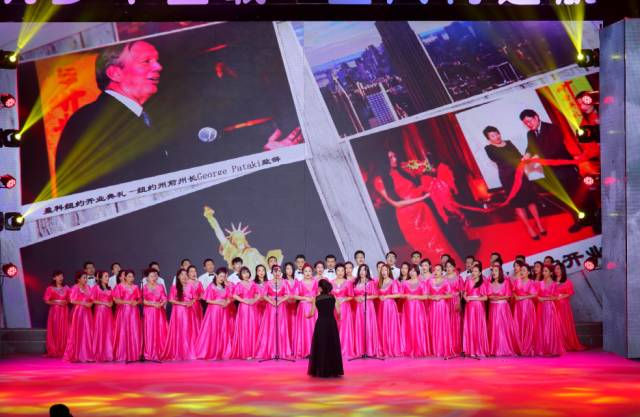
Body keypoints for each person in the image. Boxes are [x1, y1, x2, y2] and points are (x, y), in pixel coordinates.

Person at [55, 40, 164, 194]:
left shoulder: (145, 117)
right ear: (115, 73)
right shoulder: (89, 121)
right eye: (146, 61)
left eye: (156, 60)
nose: (158, 66)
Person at [374, 150, 460, 261]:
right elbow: (396, 204)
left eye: (395, 156)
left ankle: (452, 268)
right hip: (408, 218)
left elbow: (417, 184)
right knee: (426, 250)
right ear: (383, 161)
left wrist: (429, 181)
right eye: (390, 158)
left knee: (440, 244)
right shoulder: (379, 180)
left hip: (423, 210)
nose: (395, 159)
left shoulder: (402, 169)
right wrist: (423, 198)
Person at [520, 109, 586, 233]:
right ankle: (578, 220)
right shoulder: (530, 134)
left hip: (565, 170)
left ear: (536, 117)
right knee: (565, 199)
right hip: (551, 172)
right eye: (526, 123)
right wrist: (527, 155)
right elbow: (530, 147)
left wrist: (537, 157)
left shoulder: (552, 128)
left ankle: (592, 217)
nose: (529, 124)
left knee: (579, 195)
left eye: (530, 121)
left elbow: (554, 149)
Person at [484, 126, 546, 240]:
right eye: (492, 136)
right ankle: (529, 228)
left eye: (497, 133)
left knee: (530, 199)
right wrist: (519, 160)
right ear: (489, 139)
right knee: (518, 203)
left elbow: (518, 155)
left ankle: (539, 224)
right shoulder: (489, 149)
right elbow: (501, 159)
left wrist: (526, 157)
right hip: (508, 178)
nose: (496, 137)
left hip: (521, 173)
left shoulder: (508, 142)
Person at [307, 279, 344, 378]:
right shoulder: (333, 297)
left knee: (321, 345)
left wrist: (307, 316)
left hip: (321, 324)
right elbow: (338, 312)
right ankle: (333, 370)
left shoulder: (316, 298)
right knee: (332, 345)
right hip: (331, 323)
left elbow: (311, 313)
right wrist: (339, 317)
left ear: (320, 288)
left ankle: (322, 369)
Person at [255, 265, 293, 359]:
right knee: (271, 326)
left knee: (281, 327)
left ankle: (281, 350)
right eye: (275, 271)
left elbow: (288, 295)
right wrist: (271, 301)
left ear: (281, 272)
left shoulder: (284, 282)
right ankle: (270, 350)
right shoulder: (268, 283)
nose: (277, 273)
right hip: (271, 307)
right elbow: (264, 295)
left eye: (279, 271)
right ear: (272, 272)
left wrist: (280, 301)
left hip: (281, 306)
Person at [196, 267, 232, 360]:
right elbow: (207, 300)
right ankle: (212, 351)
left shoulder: (226, 287)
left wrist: (227, 303)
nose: (222, 278)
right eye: (220, 276)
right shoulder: (211, 286)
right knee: (213, 330)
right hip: (214, 312)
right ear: (216, 275)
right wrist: (218, 302)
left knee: (223, 330)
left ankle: (223, 352)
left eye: (224, 277)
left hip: (224, 311)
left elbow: (229, 298)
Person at [162, 269, 196, 361]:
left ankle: (188, 351)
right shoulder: (174, 287)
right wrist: (182, 303)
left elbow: (194, 298)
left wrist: (191, 303)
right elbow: (171, 300)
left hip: (189, 311)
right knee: (179, 331)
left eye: (185, 274)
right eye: (182, 274)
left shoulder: (190, 286)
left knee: (188, 331)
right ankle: (178, 352)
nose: (184, 276)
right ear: (178, 277)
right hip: (178, 312)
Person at [487, 263, 520, 356]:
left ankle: (505, 348)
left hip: (503, 308)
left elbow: (508, 295)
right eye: (493, 271)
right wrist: (493, 298)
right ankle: (495, 348)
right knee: (494, 327)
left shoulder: (505, 282)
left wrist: (498, 298)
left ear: (500, 272)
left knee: (503, 327)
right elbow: (488, 295)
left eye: (496, 271)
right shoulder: (489, 283)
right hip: (493, 308)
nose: (494, 272)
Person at [230, 266, 261, 360]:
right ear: (240, 275)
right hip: (243, 308)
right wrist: (244, 300)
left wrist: (254, 300)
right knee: (245, 328)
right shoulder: (239, 284)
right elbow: (234, 295)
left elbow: (259, 294)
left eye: (247, 272)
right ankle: (246, 352)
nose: (246, 274)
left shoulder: (253, 283)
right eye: (243, 273)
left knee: (253, 327)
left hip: (253, 308)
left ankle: (254, 352)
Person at [63, 272, 94, 362]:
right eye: (84, 278)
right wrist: (84, 303)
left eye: (86, 278)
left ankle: (87, 354)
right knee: (78, 332)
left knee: (87, 332)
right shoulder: (75, 287)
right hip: (79, 312)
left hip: (87, 312)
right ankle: (77, 354)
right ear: (78, 279)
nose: (86, 279)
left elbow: (92, 298)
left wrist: (90, 304)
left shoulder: (88, 287)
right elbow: (72, 300)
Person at [534, 265, 565, 356]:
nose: (543, 273)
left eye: (546, 271)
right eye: (543, 271)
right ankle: (542, 349)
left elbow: (556, 297)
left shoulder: (554, 284)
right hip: (541, 307)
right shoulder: (540, 283)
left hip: (550, 307)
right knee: (542, 326)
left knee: (550, 327)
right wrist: (538, 298)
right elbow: (536, 295)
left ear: (551, 273)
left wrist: (545, 299)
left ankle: (552, 349)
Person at [554, 262, 585, 351]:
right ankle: (557, 343)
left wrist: (561, 296)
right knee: (555, 324)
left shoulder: (567, 281)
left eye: (558, 268)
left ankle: (566, 342)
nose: (556, 270)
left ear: (562, 270)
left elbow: (570, 293)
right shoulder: (552, 281)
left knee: (563, 324)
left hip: (563, 305)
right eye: (555, 269)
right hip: (554, 304)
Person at [400, 265, 430, 357]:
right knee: (409, 326)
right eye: (411, 271)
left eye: (414, 271)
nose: (412, 272)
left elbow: (426, 296)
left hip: (418, 308)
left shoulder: (422, 283)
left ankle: (420, 348)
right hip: (408, 308)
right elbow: (400, 295)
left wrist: (415, 296)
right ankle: (409, 348)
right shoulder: (405, 283)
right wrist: (406, 296)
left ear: (417, 272)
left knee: (418, 326)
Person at [113, 270, 142, 362]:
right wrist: (128, 302)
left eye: (132, 277)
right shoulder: (119, 286)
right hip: (123, 311)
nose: (131, 278)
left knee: (134, 331)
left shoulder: (136, 287)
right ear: (125, 277)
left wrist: (137, 302)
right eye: (129, 276)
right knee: (124, 331)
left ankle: (134, 354)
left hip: (134, 312)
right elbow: (116, 300)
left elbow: (140, 299)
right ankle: (123, 354)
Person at [353, 264, 381, 357]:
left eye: (364, 270)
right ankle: (361, 350)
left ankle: (370, 349)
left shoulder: (370, 282)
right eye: (360, 270)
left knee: (368, 326)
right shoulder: (355, 282)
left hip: (368, 306)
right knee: (360, 326)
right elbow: (353, 296)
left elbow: (376, 295)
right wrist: (356, 298)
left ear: (367, 272)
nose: (362, 272)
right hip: (359, 307)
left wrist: (366, 297)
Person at [426, 265, 455, 357]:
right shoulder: (429, 281)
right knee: (433, 326)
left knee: (442, 326)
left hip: (442, 306)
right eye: (435, 270)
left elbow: (450, 295)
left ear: (442, 271)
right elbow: (426, 295)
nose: (436, 271)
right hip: (433, 306)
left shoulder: (446, 282)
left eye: (438, 270)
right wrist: (432, 297)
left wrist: (441, 296)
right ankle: (434, 349)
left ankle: (442, 348)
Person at [377, 264, 404, 357]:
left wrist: (387, 296)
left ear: (389, 271)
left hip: (390, 306)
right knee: (383, 326)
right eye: (382, 270)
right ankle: (384, 348)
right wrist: (380, 297)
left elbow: (398, 295)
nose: (384, 272)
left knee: (391, 326)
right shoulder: (380, 282)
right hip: (382, 307)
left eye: (386, 270)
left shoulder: (393, 282)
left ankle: (392, 348)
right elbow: (378, 294)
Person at [462, 264, 489, 358]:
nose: (474, 273)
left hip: (478, 307)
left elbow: (485, 298)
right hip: (469, 307)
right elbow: (465, 294)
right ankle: (470, 349)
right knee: (470, 327)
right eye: (473, 271)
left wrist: (473, 298)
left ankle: (479, 349)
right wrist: (466, 298)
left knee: (478, 327)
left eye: (476, 271)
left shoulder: (482, 283)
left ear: (480, 273)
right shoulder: (468, 281)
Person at [292, 264, 318, 358]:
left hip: (314, 307)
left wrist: (314, 299)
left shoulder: (316, 282)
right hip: (303, 308)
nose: (308, 273)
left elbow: (319, 293)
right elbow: (294, 296)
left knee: (314, 328)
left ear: (312, 272)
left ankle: (315, 351)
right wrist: (305, 298)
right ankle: (304, 350)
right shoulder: (299, 283)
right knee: (304, 328)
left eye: (309, 271)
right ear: (303, 272)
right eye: (306, 271)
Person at [142, 268, 169, 361]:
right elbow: (143, 300)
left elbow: (165, 298)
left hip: (159, 311)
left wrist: (161, 304)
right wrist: (153, 304)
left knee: (160, 330)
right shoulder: (144, 287)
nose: (153, 278)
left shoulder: (160, 286)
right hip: (149, 312)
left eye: (154, 276)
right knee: (150, 331)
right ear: (147, 278)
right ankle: (149, 353)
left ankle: (161, 352)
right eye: (151, 276)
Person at [43, 271, 70, 358]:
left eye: (62, 276)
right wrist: (56, 302)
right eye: (58, 276)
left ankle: (63, 348)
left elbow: (70, 299)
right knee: (55, 329)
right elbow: (46, 300)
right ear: (54, 278)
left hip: (64, 311)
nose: (60, 278)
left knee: (64, 329)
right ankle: (54, 349)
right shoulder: (50, 288)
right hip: (55, 312)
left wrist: (66, 302)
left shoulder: (66, 288)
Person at [512, 263, 537, 356]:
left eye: (524, 270)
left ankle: (528, 347)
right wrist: (516, 296)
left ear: (528, 272)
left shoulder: (531, 282)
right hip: (518, 306)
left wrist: (522, 297)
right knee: (518, 325)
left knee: (527, 325)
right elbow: (513, 291)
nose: (521, 272)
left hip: (527, 306)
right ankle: (519, 347)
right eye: (521, 270)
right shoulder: (516, 281)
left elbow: (534, 294)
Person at [331, 264, 355, 358]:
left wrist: (344, 299)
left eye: (342, 270)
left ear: (344, 272)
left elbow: (352, 296)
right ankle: (334, 349)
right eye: (338, 270)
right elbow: (328, 295)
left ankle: (345, 349)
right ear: (335, 271)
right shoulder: (331, 282)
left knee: (344, 327)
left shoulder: (348, 282)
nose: (340, 272)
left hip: (345, 307)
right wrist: (335, 300)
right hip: (333, 307)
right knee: (334, 327)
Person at [92, 271, 114, 362]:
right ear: (100, 278)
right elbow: (93, 300)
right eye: (105, 276)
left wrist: (110, 303)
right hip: (100, 312)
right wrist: (104, 303)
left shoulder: (110, 288)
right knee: (100, 330)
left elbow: (112, 300)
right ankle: (99, 352)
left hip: (108, 312)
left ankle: (108, 353)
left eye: (108, 276)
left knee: (108, 331)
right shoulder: (96, 288)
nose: (107, 278)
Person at [444, 259, 464, 355]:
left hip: (455, 300)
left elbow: (461, 292)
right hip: (446, 302)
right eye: (447, 266)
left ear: (454, 267)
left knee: (456, 323)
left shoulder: (459, 278)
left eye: (450, 266)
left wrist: (459, 302)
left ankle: (456, 346)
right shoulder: (443, 278)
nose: (448, 268)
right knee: (446, 322)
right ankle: (447, 346)